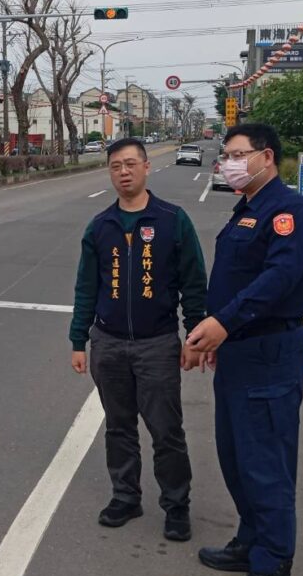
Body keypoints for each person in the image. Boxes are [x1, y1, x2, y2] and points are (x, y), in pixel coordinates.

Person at [184, 123, 303, 576]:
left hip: (270, 352)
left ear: (266, 157)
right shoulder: (248, 208)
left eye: (237, 154)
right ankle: (250, 539)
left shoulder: (289, 211)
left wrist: (224, 323)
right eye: (225, 155)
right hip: (241, 350)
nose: (228, 163)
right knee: (236, 455)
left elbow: (278, 280)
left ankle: (272, 571)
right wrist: (218, 332)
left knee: (266, 465)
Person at [70, 137, 208, 542]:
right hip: (108, 344)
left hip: (157, 344)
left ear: (147, 167)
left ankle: (177, 505)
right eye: (116, 166)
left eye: (131, 164)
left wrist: (194, 335)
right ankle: (125, 496)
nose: (124, 172)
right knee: (118, 426)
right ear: (110, 172)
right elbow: (85, 288)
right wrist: (79, 340)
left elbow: (193, 282)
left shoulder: (171, 219)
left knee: (166, 430)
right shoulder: (101, 226)